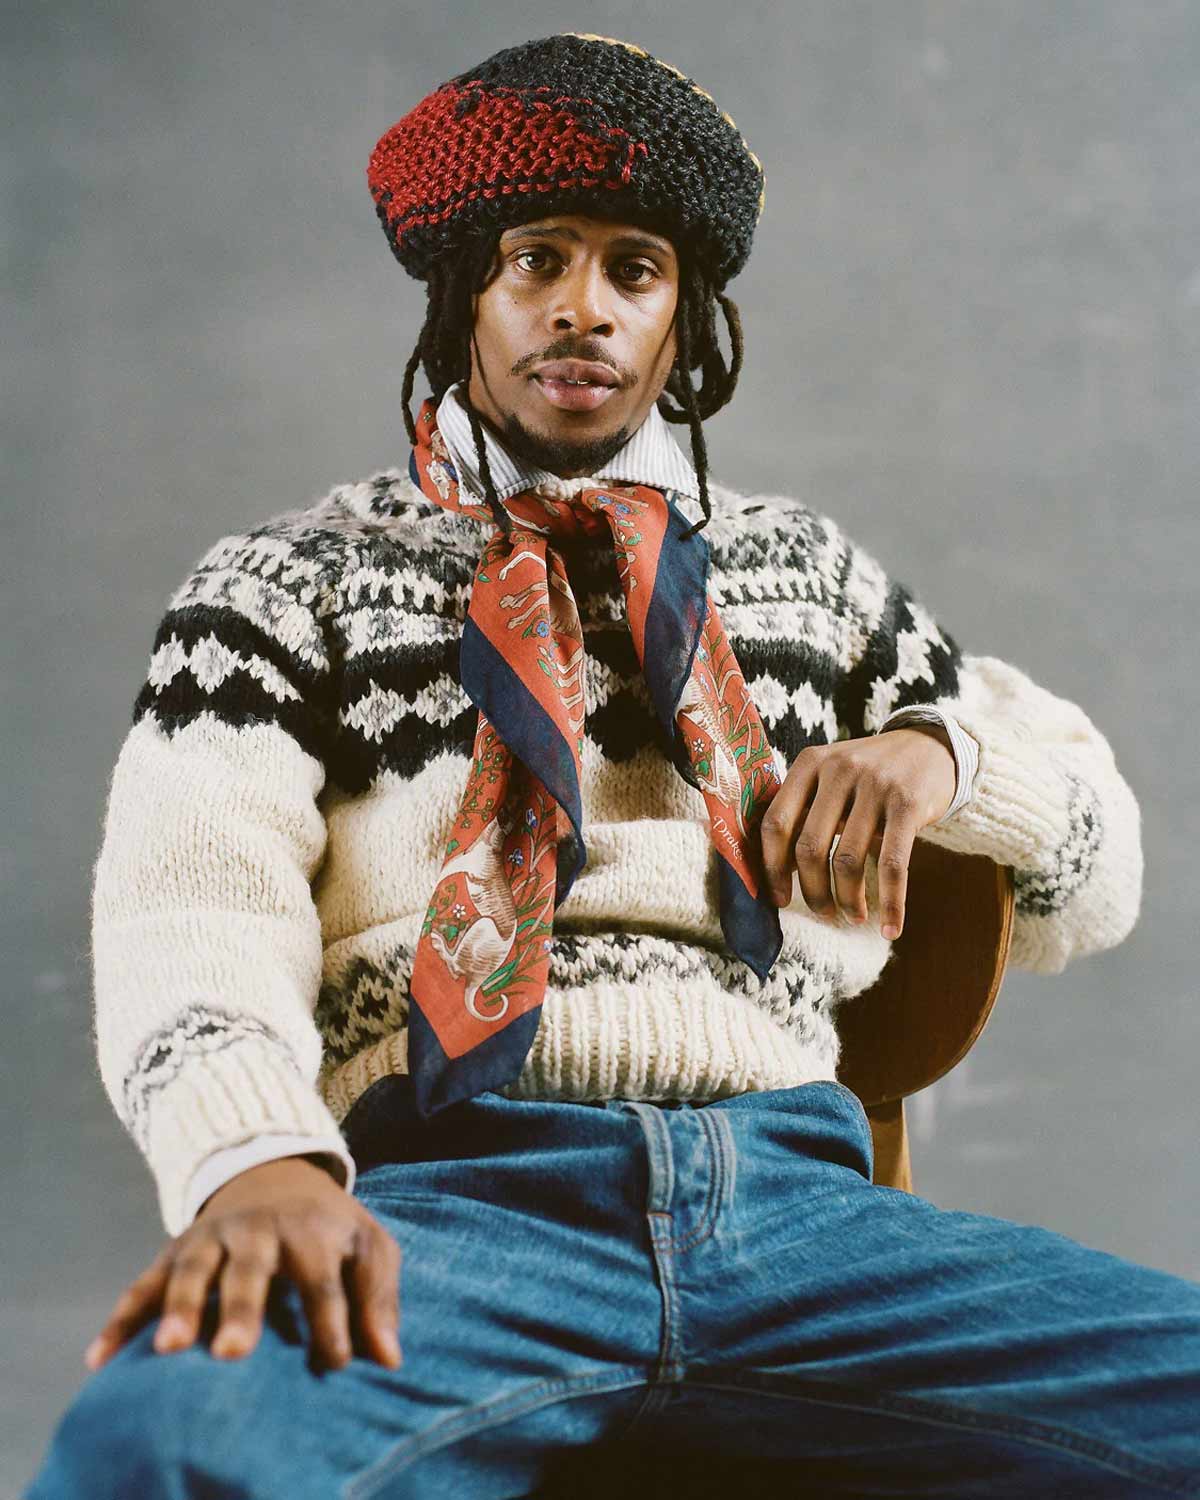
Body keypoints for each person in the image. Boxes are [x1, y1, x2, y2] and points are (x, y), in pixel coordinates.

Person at [25, 32, 1199, 1500]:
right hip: (456, 1202)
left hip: (799, 1211)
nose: (583, 306)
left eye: (633, 271)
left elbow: (1095, 875)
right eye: (537, 261)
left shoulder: (806, 576)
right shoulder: (286, 582)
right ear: (465, 294)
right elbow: (187, 904)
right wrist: (255, 1160)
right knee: (163, 1452)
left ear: (680, 318)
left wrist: (940, 757)